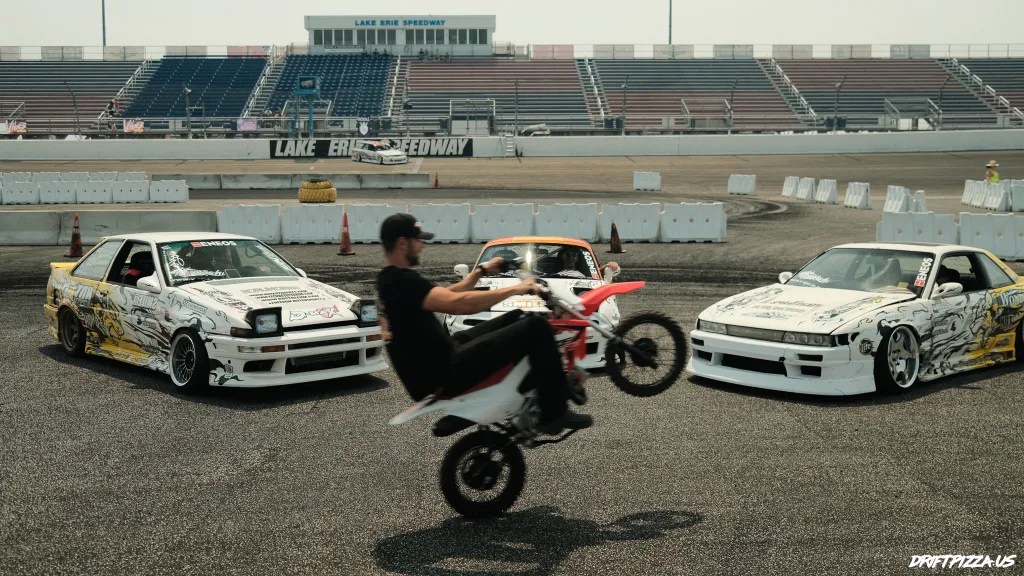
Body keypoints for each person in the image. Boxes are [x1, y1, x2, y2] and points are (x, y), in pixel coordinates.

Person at [376, 213, 592, 434]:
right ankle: (553, 412)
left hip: (439, 360)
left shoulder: (389, 280)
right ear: (403, 243)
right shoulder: (404, 281)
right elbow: (458, 304)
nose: (421, 246)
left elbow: (446, 294)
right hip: (446, 369)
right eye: (418, 240)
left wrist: (482, 271)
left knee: (518, 316)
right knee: (537, 328)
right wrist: (517, 288)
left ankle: (540, 384)